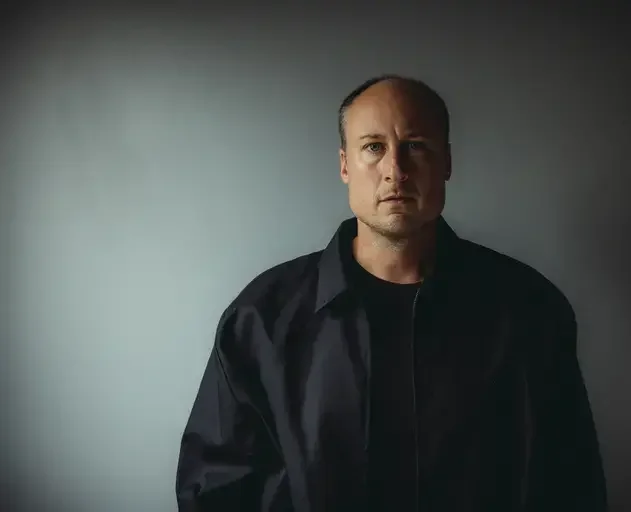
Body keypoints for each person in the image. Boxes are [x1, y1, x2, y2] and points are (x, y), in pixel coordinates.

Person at [176, 74, 607, 511]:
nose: (395, 170)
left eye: (415, 146)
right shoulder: (262, 319)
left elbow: (572, 485)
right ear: (345, 165)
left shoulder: (530, 311)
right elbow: (217, 490)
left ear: (447, 163)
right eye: (373, 147)